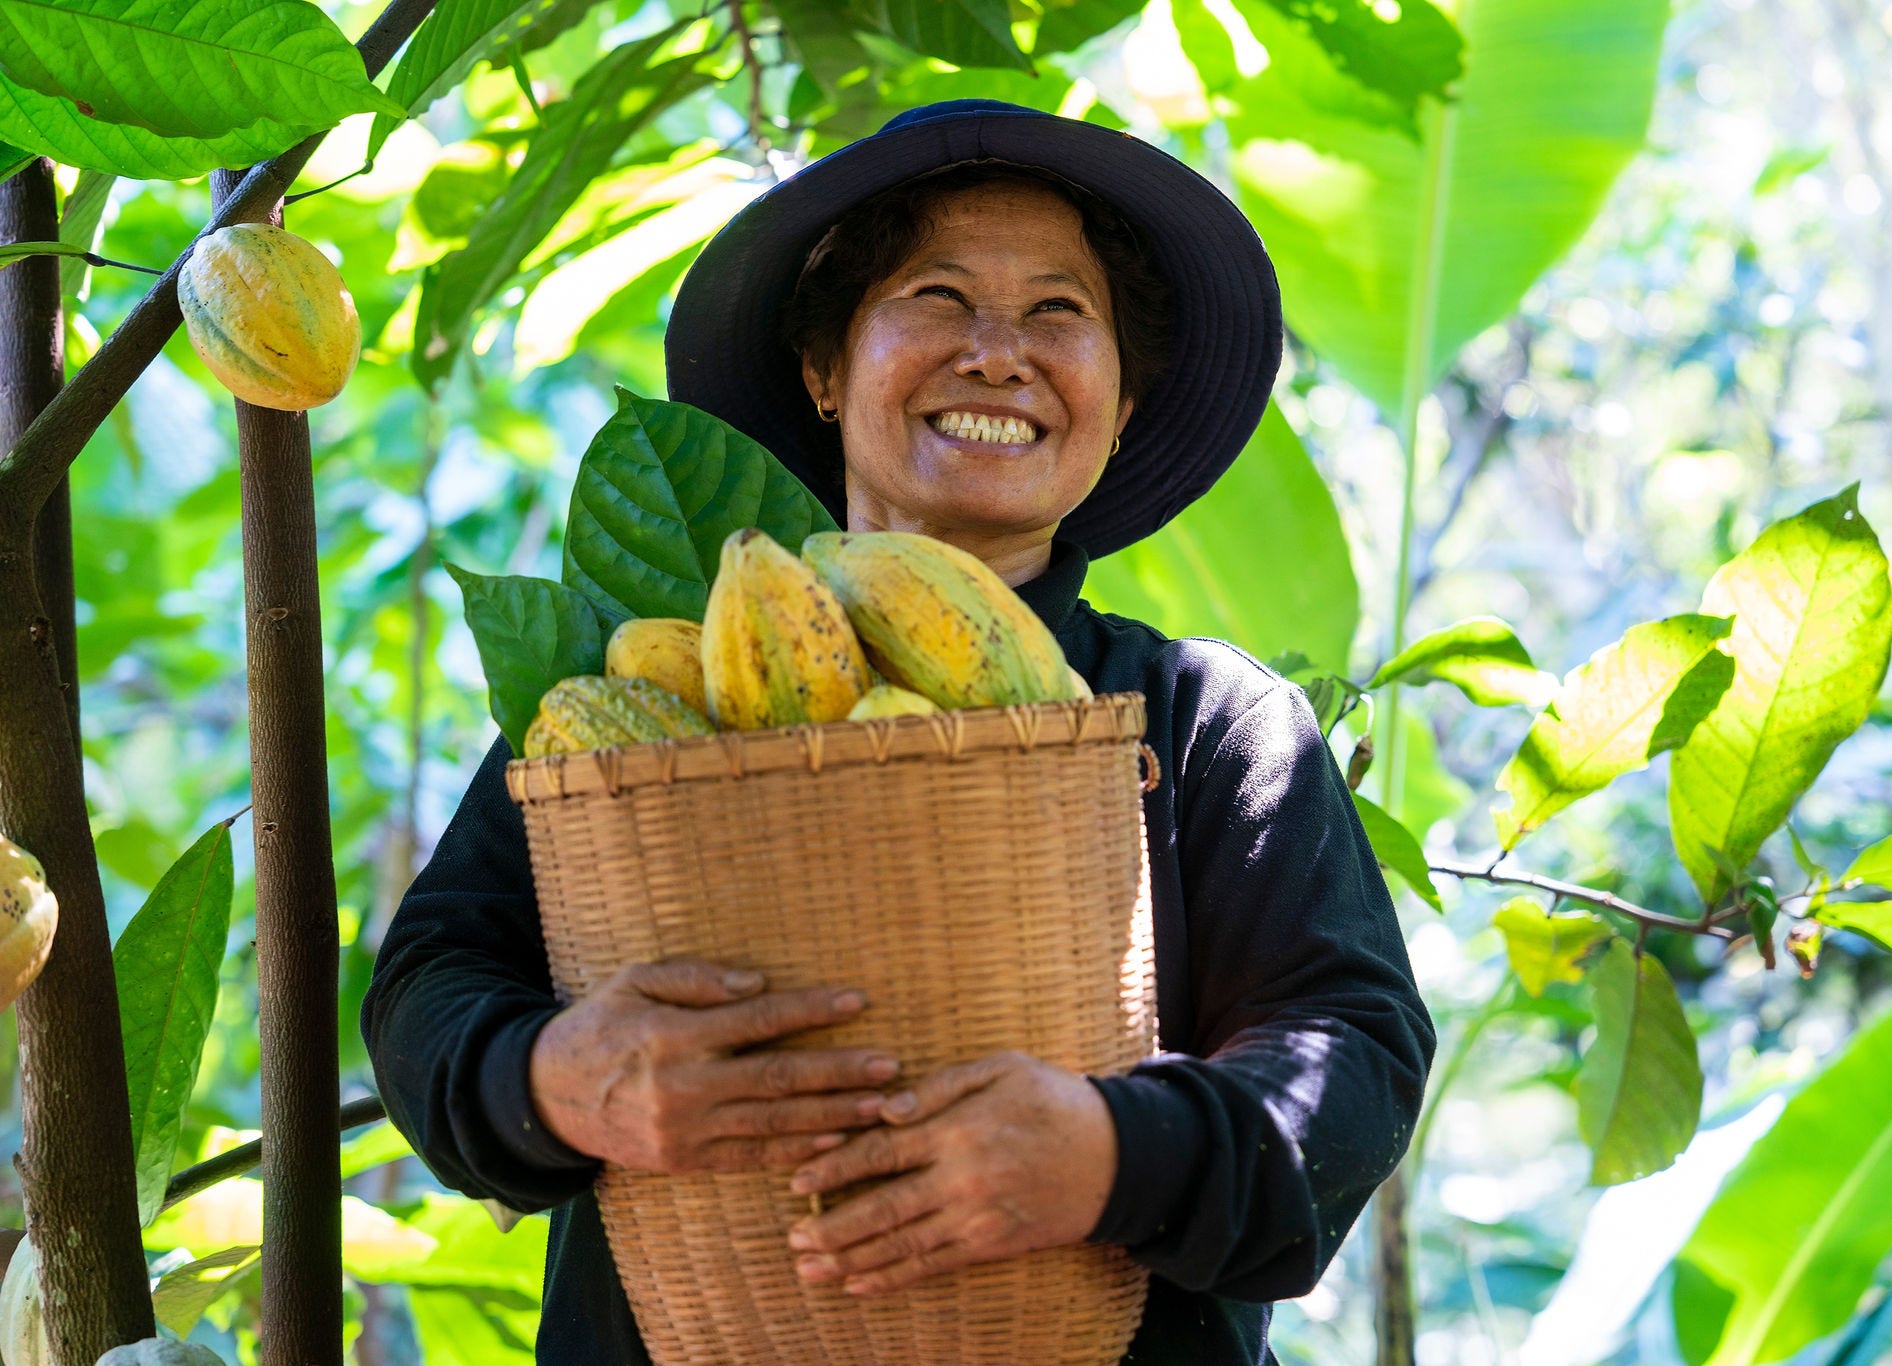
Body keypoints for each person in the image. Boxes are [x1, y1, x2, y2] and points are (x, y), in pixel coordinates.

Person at [364, 98, 1435, 1364]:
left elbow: (1349, 1060)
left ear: (1122, 397)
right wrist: (554, 1078)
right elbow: (430, 985)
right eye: (935, 296)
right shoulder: (641, 694)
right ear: (823, 370)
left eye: (1058, 313)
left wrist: (1109, 1152)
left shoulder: (1210, 724)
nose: (998, 353)